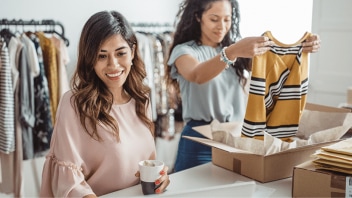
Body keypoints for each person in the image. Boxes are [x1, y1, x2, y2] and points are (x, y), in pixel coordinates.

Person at [165, 0, 321, 172]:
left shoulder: (237, 51)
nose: (222, 26)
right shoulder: (184, 51)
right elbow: (197, 75)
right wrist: (232, 52)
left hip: (235, 138)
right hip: (199, 139)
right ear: (197, 17)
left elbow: (274, 69)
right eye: (214, 19)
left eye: (227, 19)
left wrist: (302, 48)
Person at [40, 10, 170, 197]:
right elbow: (68, 182)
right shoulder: (73, 105)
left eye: (120, 53)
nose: (113, 65)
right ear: (90, 59)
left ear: (132, 52)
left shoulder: (143, 99)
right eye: (102, 56)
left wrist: (160, 177)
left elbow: (146, 164)